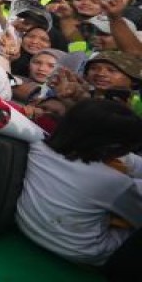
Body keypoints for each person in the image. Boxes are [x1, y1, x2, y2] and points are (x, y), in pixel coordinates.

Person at [15, 99, 142, 279]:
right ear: (114, 147)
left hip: (27, 229)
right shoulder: (116, 183)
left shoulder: (38, 147)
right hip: (85, 253)